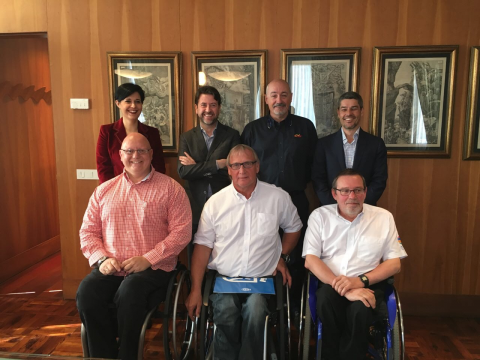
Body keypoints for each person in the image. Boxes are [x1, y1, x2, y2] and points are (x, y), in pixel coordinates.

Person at [77, 133, 191, 359]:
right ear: (120, 156)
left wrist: (148, 258)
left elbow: (182, 233)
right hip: (111, 266)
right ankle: (104, 355)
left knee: (129, 292)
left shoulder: (171, 189)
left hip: (154, 269)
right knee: (87, 292)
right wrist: (103, 259)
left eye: (142, 151)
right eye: (129, 151)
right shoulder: (103, 191)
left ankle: (128, 355)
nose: (135, 156)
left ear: (151, 154)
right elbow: (88, 232)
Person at [186, 144, 302, 360]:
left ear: (257, 166)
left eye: (247, 164)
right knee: (226, 312)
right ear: (228, 170)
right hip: (224, 280)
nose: (242, 170)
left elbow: (294, 227)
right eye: (236, 165)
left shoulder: (277, 197)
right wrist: (194, 290)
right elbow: (202, 247)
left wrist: (282, 256)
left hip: (262, 279)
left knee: (256, 311)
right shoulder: (215, 203)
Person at [303, 169, 407, 360]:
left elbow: (394, 264)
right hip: (329, 283)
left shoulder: (383, 217)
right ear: (334, 194)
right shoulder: (319, 216)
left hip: (369, 284)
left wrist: (359, 282)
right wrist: (347, 288)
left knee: (360, 308)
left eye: (357, 190)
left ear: (365, 192)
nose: (352, 196)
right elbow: (311, 260)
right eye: (345, 191)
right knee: (325, 299)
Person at [241, 79, 317, 315]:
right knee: (263, 253)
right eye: (273, 95)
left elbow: (314, 165)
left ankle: (292, 306)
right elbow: (241, 168)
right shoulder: (252, 130)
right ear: (266, 99)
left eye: (283, 95)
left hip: (296, 199)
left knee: (294, 256)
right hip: (260, 202)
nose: (279, 100)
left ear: (291, 97)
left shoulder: (305, 128)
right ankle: (266, 306)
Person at [178, 86, 240, 238]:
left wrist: (196, 167)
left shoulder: (232, 135)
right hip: (195, 206)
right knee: (196, 254)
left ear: (219, 108)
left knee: (225, 252)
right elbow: (183, 172)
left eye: (213, 105)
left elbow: (235, 170)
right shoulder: (187, 138)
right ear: (196, 108)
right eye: (203, 105)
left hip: (226, 204)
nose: (208, 109)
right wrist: (217, 164)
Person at [312, 91, 388, 206]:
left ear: (361, 111)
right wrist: (336, 206)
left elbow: (379, 180)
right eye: (344, 109)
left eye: (354, 108)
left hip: (365, 210)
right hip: (331, 211)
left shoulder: (376, 144)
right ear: (338, 112)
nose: (349, 113)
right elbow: (318, 180)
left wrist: (358, 205)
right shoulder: (324, 145)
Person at [96, 82, 166, 183]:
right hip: (116, 191)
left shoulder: (152, 133)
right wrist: (113, 190)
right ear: (118, 103)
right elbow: (103, 168)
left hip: (148, 190)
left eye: (137, 101)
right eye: (128, 101)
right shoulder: (106, 132)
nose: (133, 106)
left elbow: (159, 167)